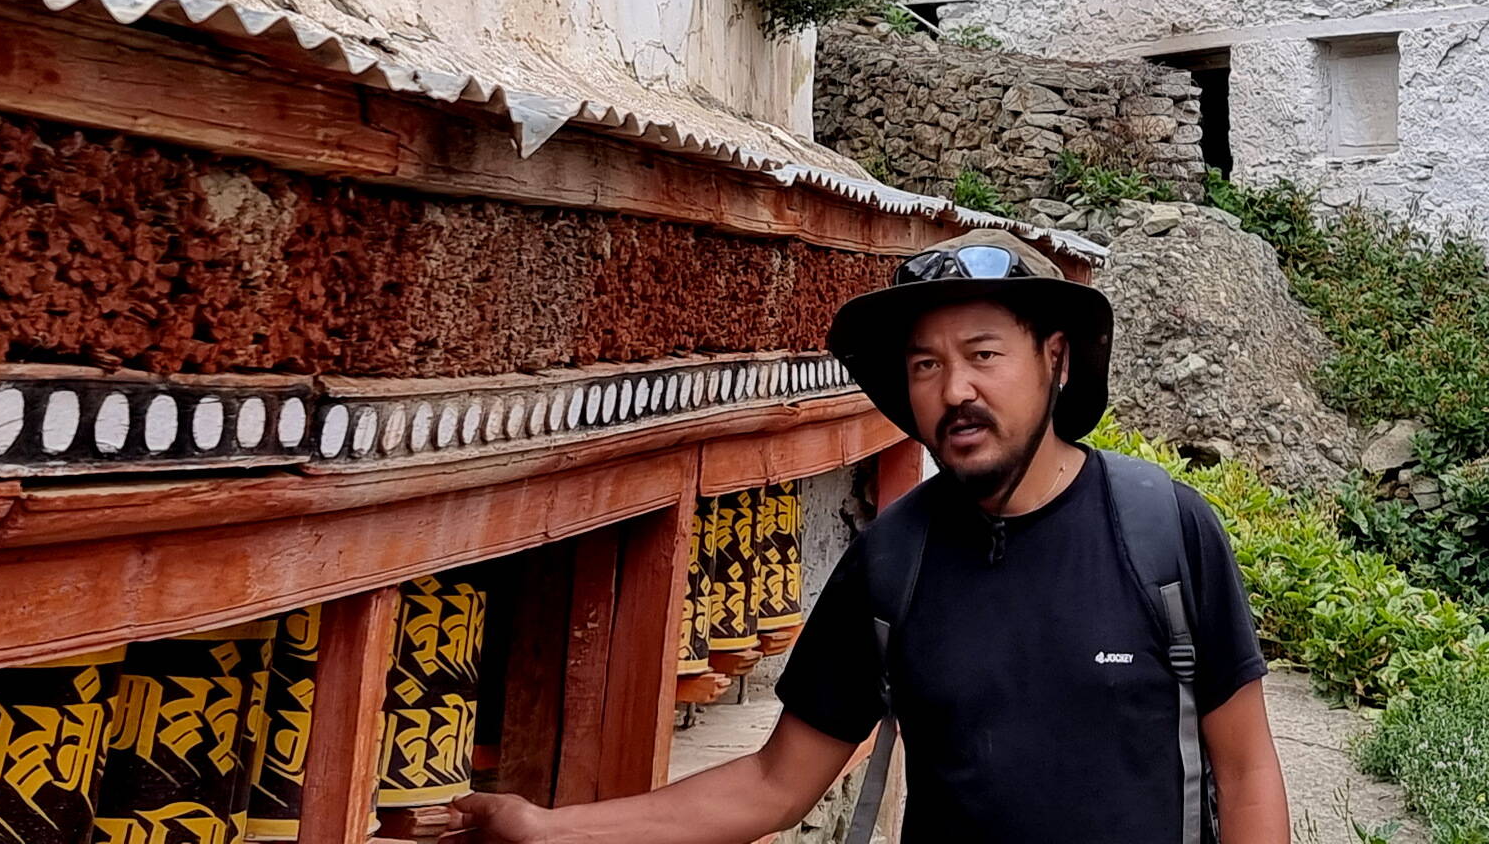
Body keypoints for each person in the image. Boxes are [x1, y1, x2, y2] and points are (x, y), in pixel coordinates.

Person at [448, 228, 1288, 844]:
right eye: (925, 365)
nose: (955, 388)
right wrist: (545, 831)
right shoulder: (896, 560)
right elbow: (773, 784)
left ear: (1056, 359)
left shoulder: (1162, 530)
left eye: (984, 353)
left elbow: (1246, 770)